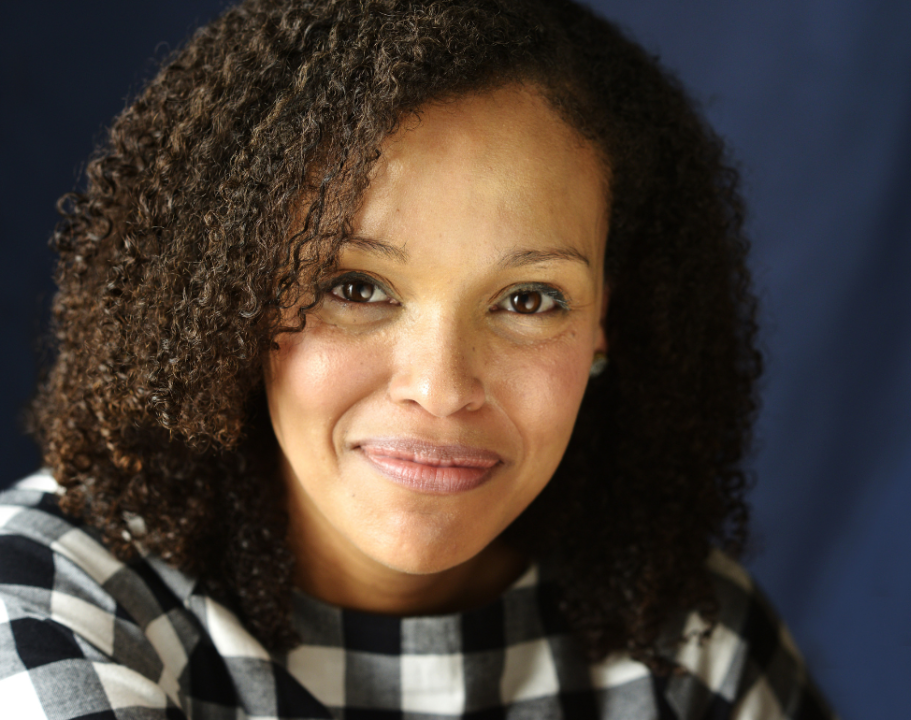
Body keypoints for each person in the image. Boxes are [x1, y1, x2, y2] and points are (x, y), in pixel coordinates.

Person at [0, 0, 835, 717]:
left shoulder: (689, 642)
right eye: (356, 286)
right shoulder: (46, 605)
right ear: (233, 297)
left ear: (607, 322)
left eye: (528, 299)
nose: (440, 389)